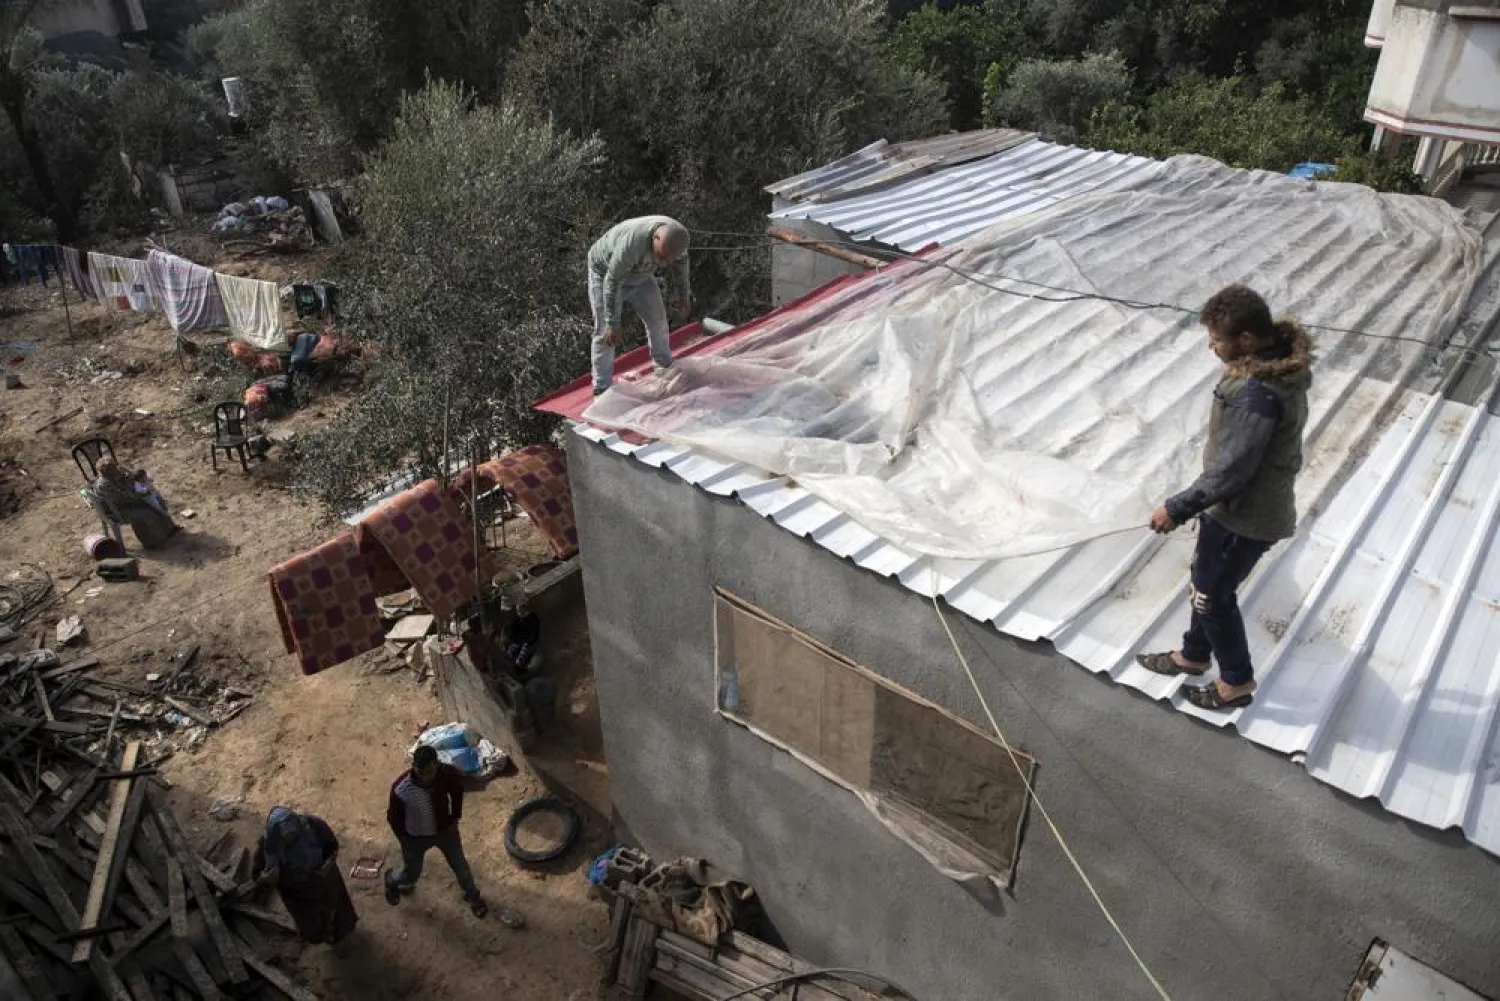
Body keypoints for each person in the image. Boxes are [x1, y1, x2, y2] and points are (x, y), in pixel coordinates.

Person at [1135, 285, 1312, 711]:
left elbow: (1232, 471)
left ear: (1247, 340)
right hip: (1231, 512)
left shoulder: (1258, 392)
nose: (1211, 346)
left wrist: (1177, 508)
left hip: (1245, 518)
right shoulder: (1269, 370)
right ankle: (1193, 656)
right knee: (1205, 583)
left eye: (1216, 338)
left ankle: (1236, 683)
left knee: (1212, 598)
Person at [385, 745, 521, 925]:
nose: (426, 776)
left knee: (461, 867)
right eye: (421, 771)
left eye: (430, 771)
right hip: (415, 838)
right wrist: (405, 839)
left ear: (437, 764)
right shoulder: (400, 789)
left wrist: (455, 817)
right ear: (414, 767)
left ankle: (473, 896)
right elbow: (394, 818)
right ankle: (391, 879)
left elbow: (457, 792)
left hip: (445, 832)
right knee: (411, 873)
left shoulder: (447, 774)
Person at [587, 216, 692, 395]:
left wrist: (684, 296)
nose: (663, 263)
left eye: (668, 260)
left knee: (658, 319)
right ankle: (602, 387)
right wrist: (612, 322)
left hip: (640, 276)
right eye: (661, 256)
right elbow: (612, 280)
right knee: (604, 330)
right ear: (655, 238)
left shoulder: (678, 241)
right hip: (605, 273)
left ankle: (663, 366)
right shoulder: (633, 242)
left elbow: (681, 266)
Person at [251, 806, 359, 946]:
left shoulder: (313, 826)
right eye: (286, 837)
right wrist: (266, 878)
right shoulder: (268, 848)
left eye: (294, 833)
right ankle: (324, 937)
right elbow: (256, 875)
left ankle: (339, 939)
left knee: (338, 913)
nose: (291, 838)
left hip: (325, 881)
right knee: (312, 925)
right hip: (297, 895)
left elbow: (332, 845)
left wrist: (327, 862)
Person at [92, 458, 179, 548]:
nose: (118, 468)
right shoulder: (104, 485)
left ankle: (169, 529)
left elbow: (134, 479)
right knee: (145, 512)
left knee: (157, 499)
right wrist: (142, 494)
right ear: (108, 472)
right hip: (117, 510)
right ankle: (150, 543)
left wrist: (128, 473)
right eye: (115, 468)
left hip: (125, 503)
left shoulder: (115, 476)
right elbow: (124, 499)